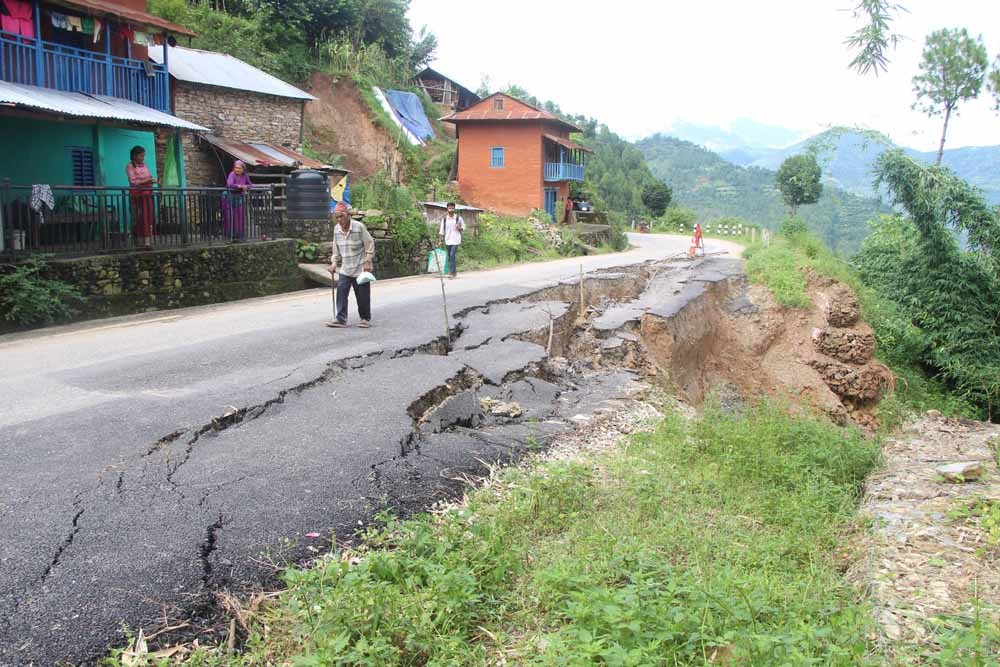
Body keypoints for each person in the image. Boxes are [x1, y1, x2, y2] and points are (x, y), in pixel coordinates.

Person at [327, 202, 375, 328]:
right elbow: (335, 249)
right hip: (345, 269)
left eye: (341, 216)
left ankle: (365, 319)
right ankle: (341, 318)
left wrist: (368, 261)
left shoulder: (359, 227)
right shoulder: (336, 229)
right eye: (337, 217)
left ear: (348, 215)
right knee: (341, 293)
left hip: (360, 267)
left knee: (363, 296)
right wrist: (333, 263)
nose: (339, 220)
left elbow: (369, 244)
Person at [125, 145, 155, 249]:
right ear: (134, 156)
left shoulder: (144, 166)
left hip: (147, 195)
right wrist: (145, 181)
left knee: (148, 217)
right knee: (138, 217)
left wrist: (151, 180)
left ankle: (147, 241)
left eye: (144, 156)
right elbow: (133, 182)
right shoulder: (130, 166)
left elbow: (148, 176)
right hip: (137, 195)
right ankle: (137, 241)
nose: (143, 158)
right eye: (141, 156)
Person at [222, 160, 252, 241]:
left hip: (239, 198)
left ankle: (239, 235)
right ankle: (230, 236)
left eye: (239, 168)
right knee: (229, 217)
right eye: (235, 168)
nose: (237, 170)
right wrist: (239, 186)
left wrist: (246, 187)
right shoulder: (232, 174)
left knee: (239, 216)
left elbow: (250, 185)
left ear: (243, 169)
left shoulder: (245, 175)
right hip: (229, 198)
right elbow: (229, 184)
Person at [438, 202, 465, 279]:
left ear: (454, 209)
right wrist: (440, 240)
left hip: (456, 240)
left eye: (452, 208)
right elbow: (441, 231)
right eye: (449, 208)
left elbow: (464, 227)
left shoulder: (458, 218)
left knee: (452, 255)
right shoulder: (444, 219)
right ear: (447, 209)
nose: (451, 209)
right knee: (450, 256)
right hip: (448, 240)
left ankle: (451, 273)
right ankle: (454, 272)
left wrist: (459, 228)